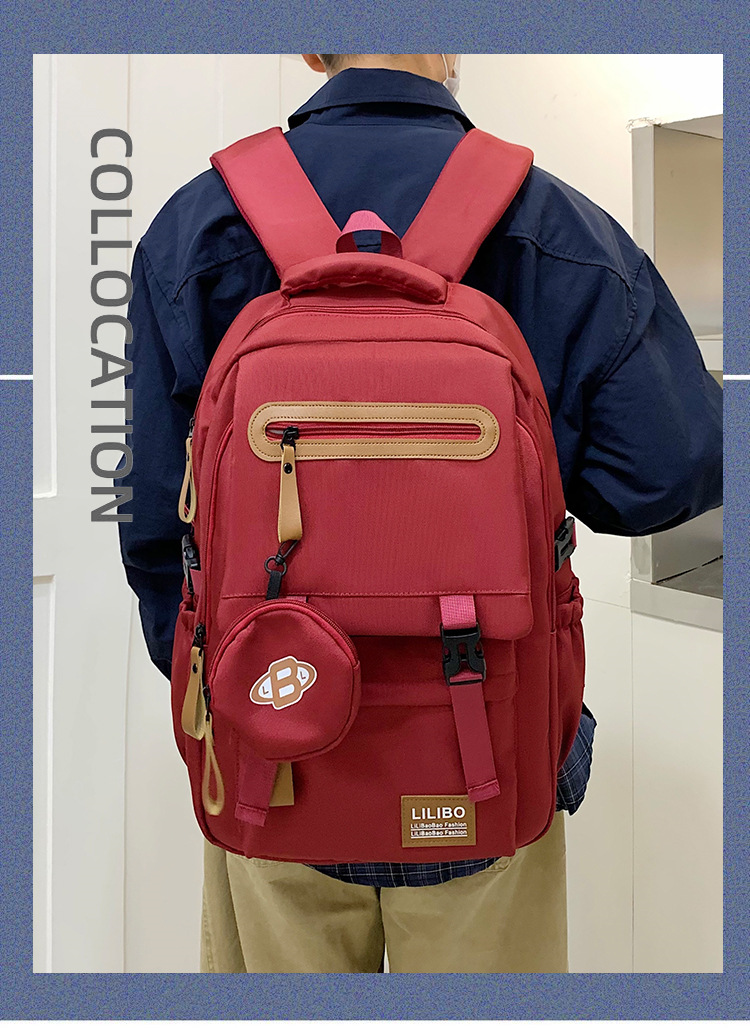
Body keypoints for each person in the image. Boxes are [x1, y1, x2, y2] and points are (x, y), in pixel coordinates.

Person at [118, 53, 723, 973]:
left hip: (271, 748)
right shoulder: (555, 225)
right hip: (489, 739)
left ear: (311, 47)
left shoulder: (196, 226)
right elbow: (667, 475)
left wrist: (234, 689)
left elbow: (157, 523)